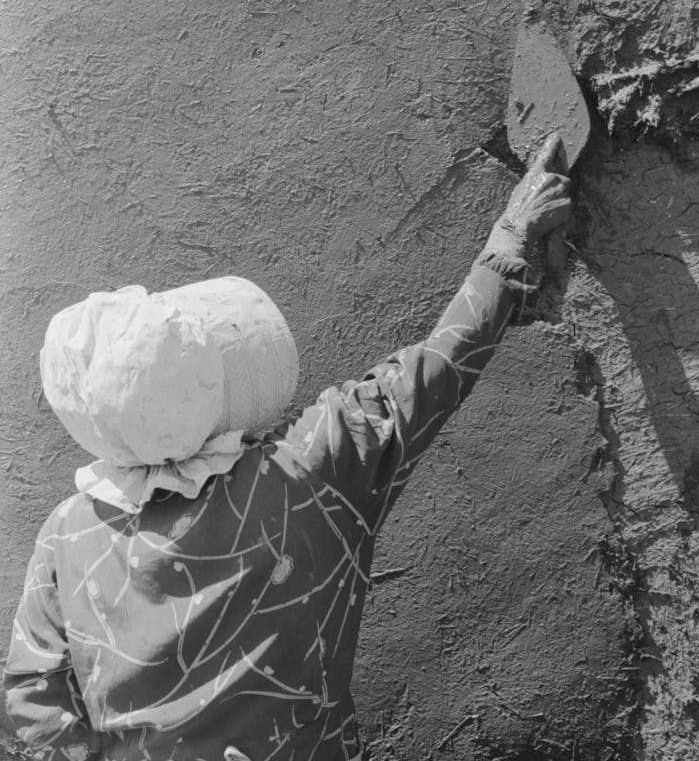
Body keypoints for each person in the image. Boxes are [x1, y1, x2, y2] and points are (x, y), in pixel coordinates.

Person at [4, 134, 571, 761]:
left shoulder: (66, 535)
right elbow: (430, 377)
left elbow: (32, 698)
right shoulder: (309, 470)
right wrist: (507, 246)